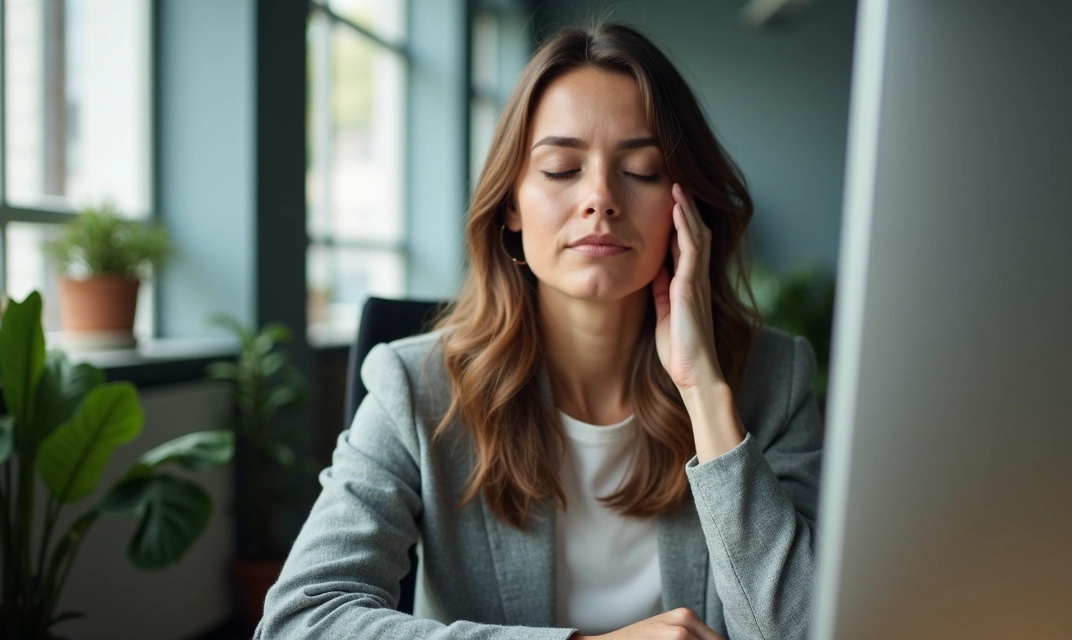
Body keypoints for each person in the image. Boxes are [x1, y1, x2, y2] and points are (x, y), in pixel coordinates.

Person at [255, 22, 821, 640]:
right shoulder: (414, 387)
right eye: (559, 169)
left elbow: (805, 629)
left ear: (689, 209)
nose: (600, 197)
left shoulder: (774, 377)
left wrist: (705, 392)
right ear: (511, 205)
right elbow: (300, 621)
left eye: (641, 168)